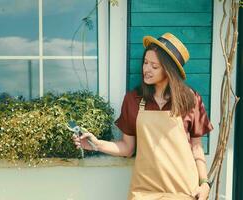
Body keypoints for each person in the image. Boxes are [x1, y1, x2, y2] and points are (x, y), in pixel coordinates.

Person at [72, 33, 213, 200]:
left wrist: (204, 183)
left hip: (184, 191)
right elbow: (127, 147)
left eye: (154, 66)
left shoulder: (191, 99)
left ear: (169, 70)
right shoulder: (133, 99)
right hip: (144, 192)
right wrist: (96, 145)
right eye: (145, 63)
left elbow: (197, 147)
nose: (146, 69)